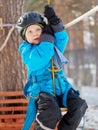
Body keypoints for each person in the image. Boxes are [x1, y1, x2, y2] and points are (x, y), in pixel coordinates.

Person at [16, 5, 88, 130]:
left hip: (62, 89)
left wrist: (55, 22)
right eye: (30, 32)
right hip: (43, 91)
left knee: (80, 106)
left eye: (38, 30)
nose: (35, 34)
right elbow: (42, 57)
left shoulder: (51, 44)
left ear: (43, 30)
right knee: (52, 112)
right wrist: (48, 38)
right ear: (24, 37)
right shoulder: (26, 49)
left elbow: (62, 38)